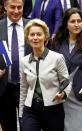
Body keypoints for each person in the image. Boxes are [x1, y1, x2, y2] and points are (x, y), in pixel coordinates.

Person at [19, 19, 71, 131]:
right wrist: (21, 113)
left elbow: (66, 82)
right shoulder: (24, 61)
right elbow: (24, 88)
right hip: (31, 108)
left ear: (45, 37)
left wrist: (63, 94)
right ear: (28, 38)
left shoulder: (57, 58)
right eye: (32, 34)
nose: (35, 37)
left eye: (39, 34)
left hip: (53, 108)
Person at [0, 0, 32, 130]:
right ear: (5, 7)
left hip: (27, 87)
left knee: (29, 126)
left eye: (20, 7)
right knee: (8, 127)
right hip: (3, 88)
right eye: (13, 7)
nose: (16, 11)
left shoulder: (32, 26)